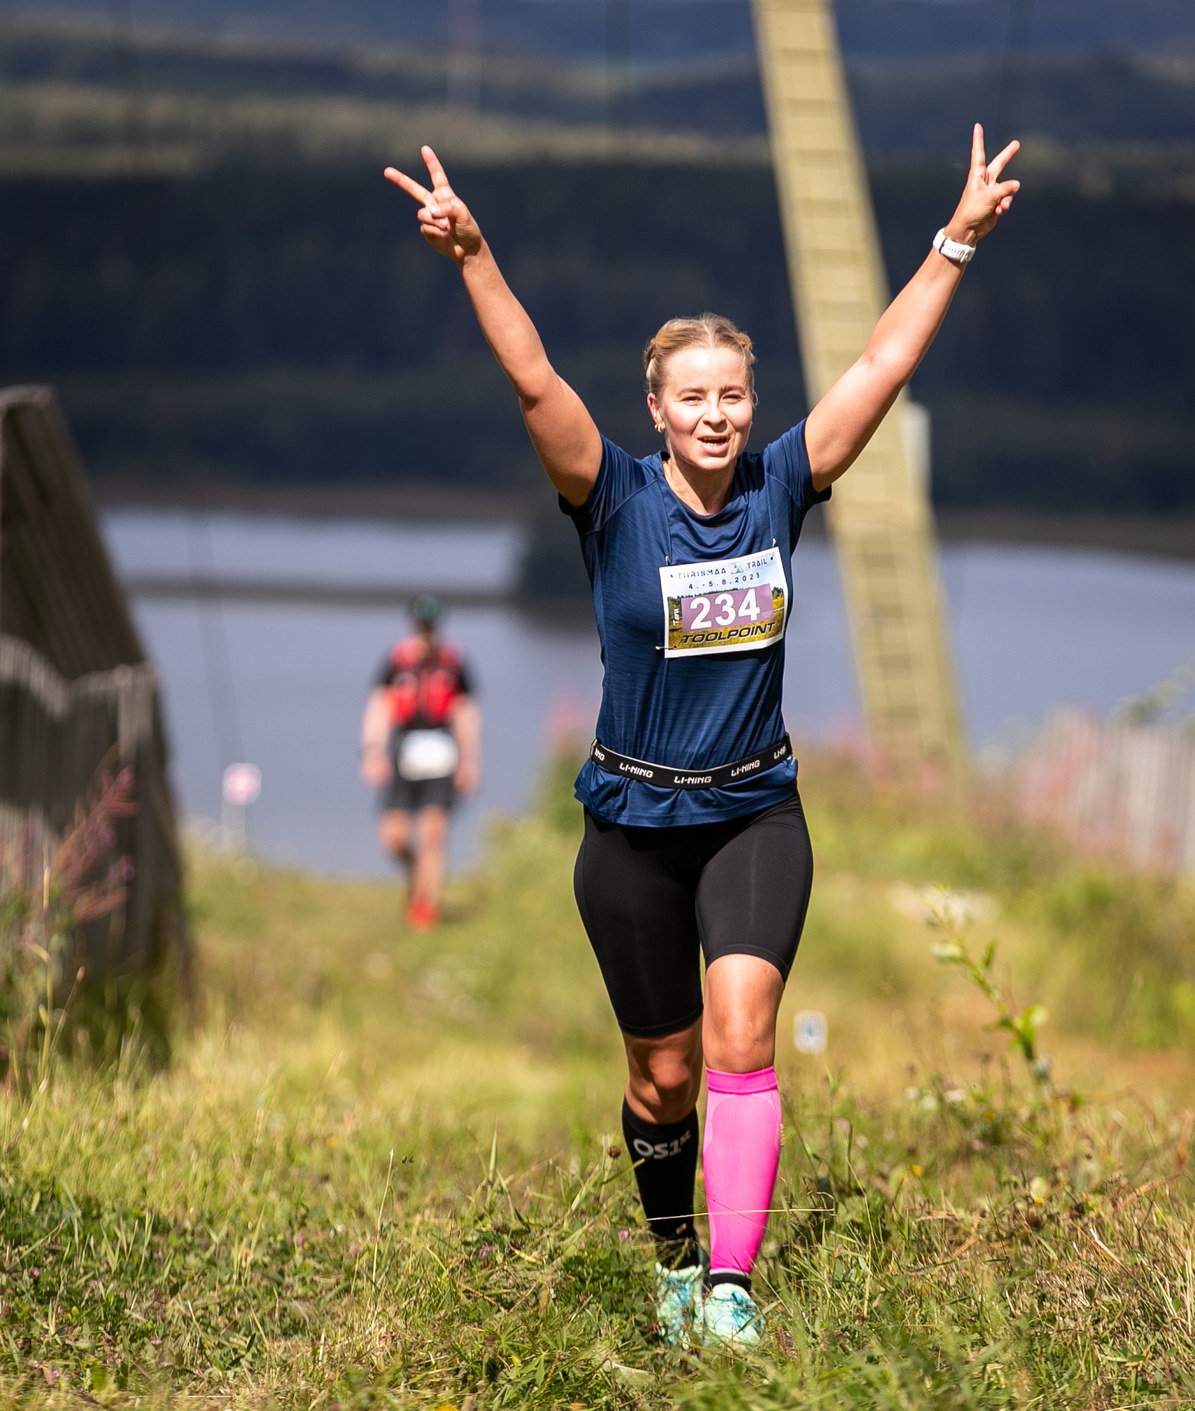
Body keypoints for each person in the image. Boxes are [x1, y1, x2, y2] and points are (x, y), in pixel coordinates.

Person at [384, 126, 1017, 1347]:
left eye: (732, 395)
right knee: (661, 1075)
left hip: (751, 814)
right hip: (630, 826)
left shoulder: (782, 486)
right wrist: (471, 254)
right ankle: (673, 1260)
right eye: (693, 398)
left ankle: (730, 1287)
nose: (716, 415)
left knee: (742, 1034)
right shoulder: (611, 498)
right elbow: (533, 381)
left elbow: (880, 366)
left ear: (749, 405)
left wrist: (953, 241)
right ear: (657, 410)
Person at [360, 594, 481, 931]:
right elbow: (380, 706)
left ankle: (427, 904)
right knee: (394, 837)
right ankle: (418, 875)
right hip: (404, 749)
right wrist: (372, 750)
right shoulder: (397, 660)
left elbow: (466, 713)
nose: (427, 631)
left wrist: (470, 761)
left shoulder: (454, 662)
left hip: (442, 750)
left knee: (432, 834)